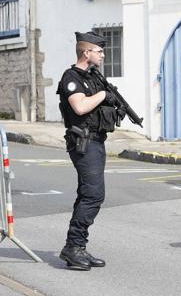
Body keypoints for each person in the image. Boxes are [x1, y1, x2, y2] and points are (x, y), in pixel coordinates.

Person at [57, 31, 122, 270]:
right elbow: (80, 106)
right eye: (99, 51)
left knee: (88, 194)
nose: (103, 55)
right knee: (93, 195)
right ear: (86, 52)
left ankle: (77, 246)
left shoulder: (94, 77)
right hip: (83, 142)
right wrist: (104, 94)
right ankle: (73, 247)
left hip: (96, 140)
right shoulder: (71, 77)